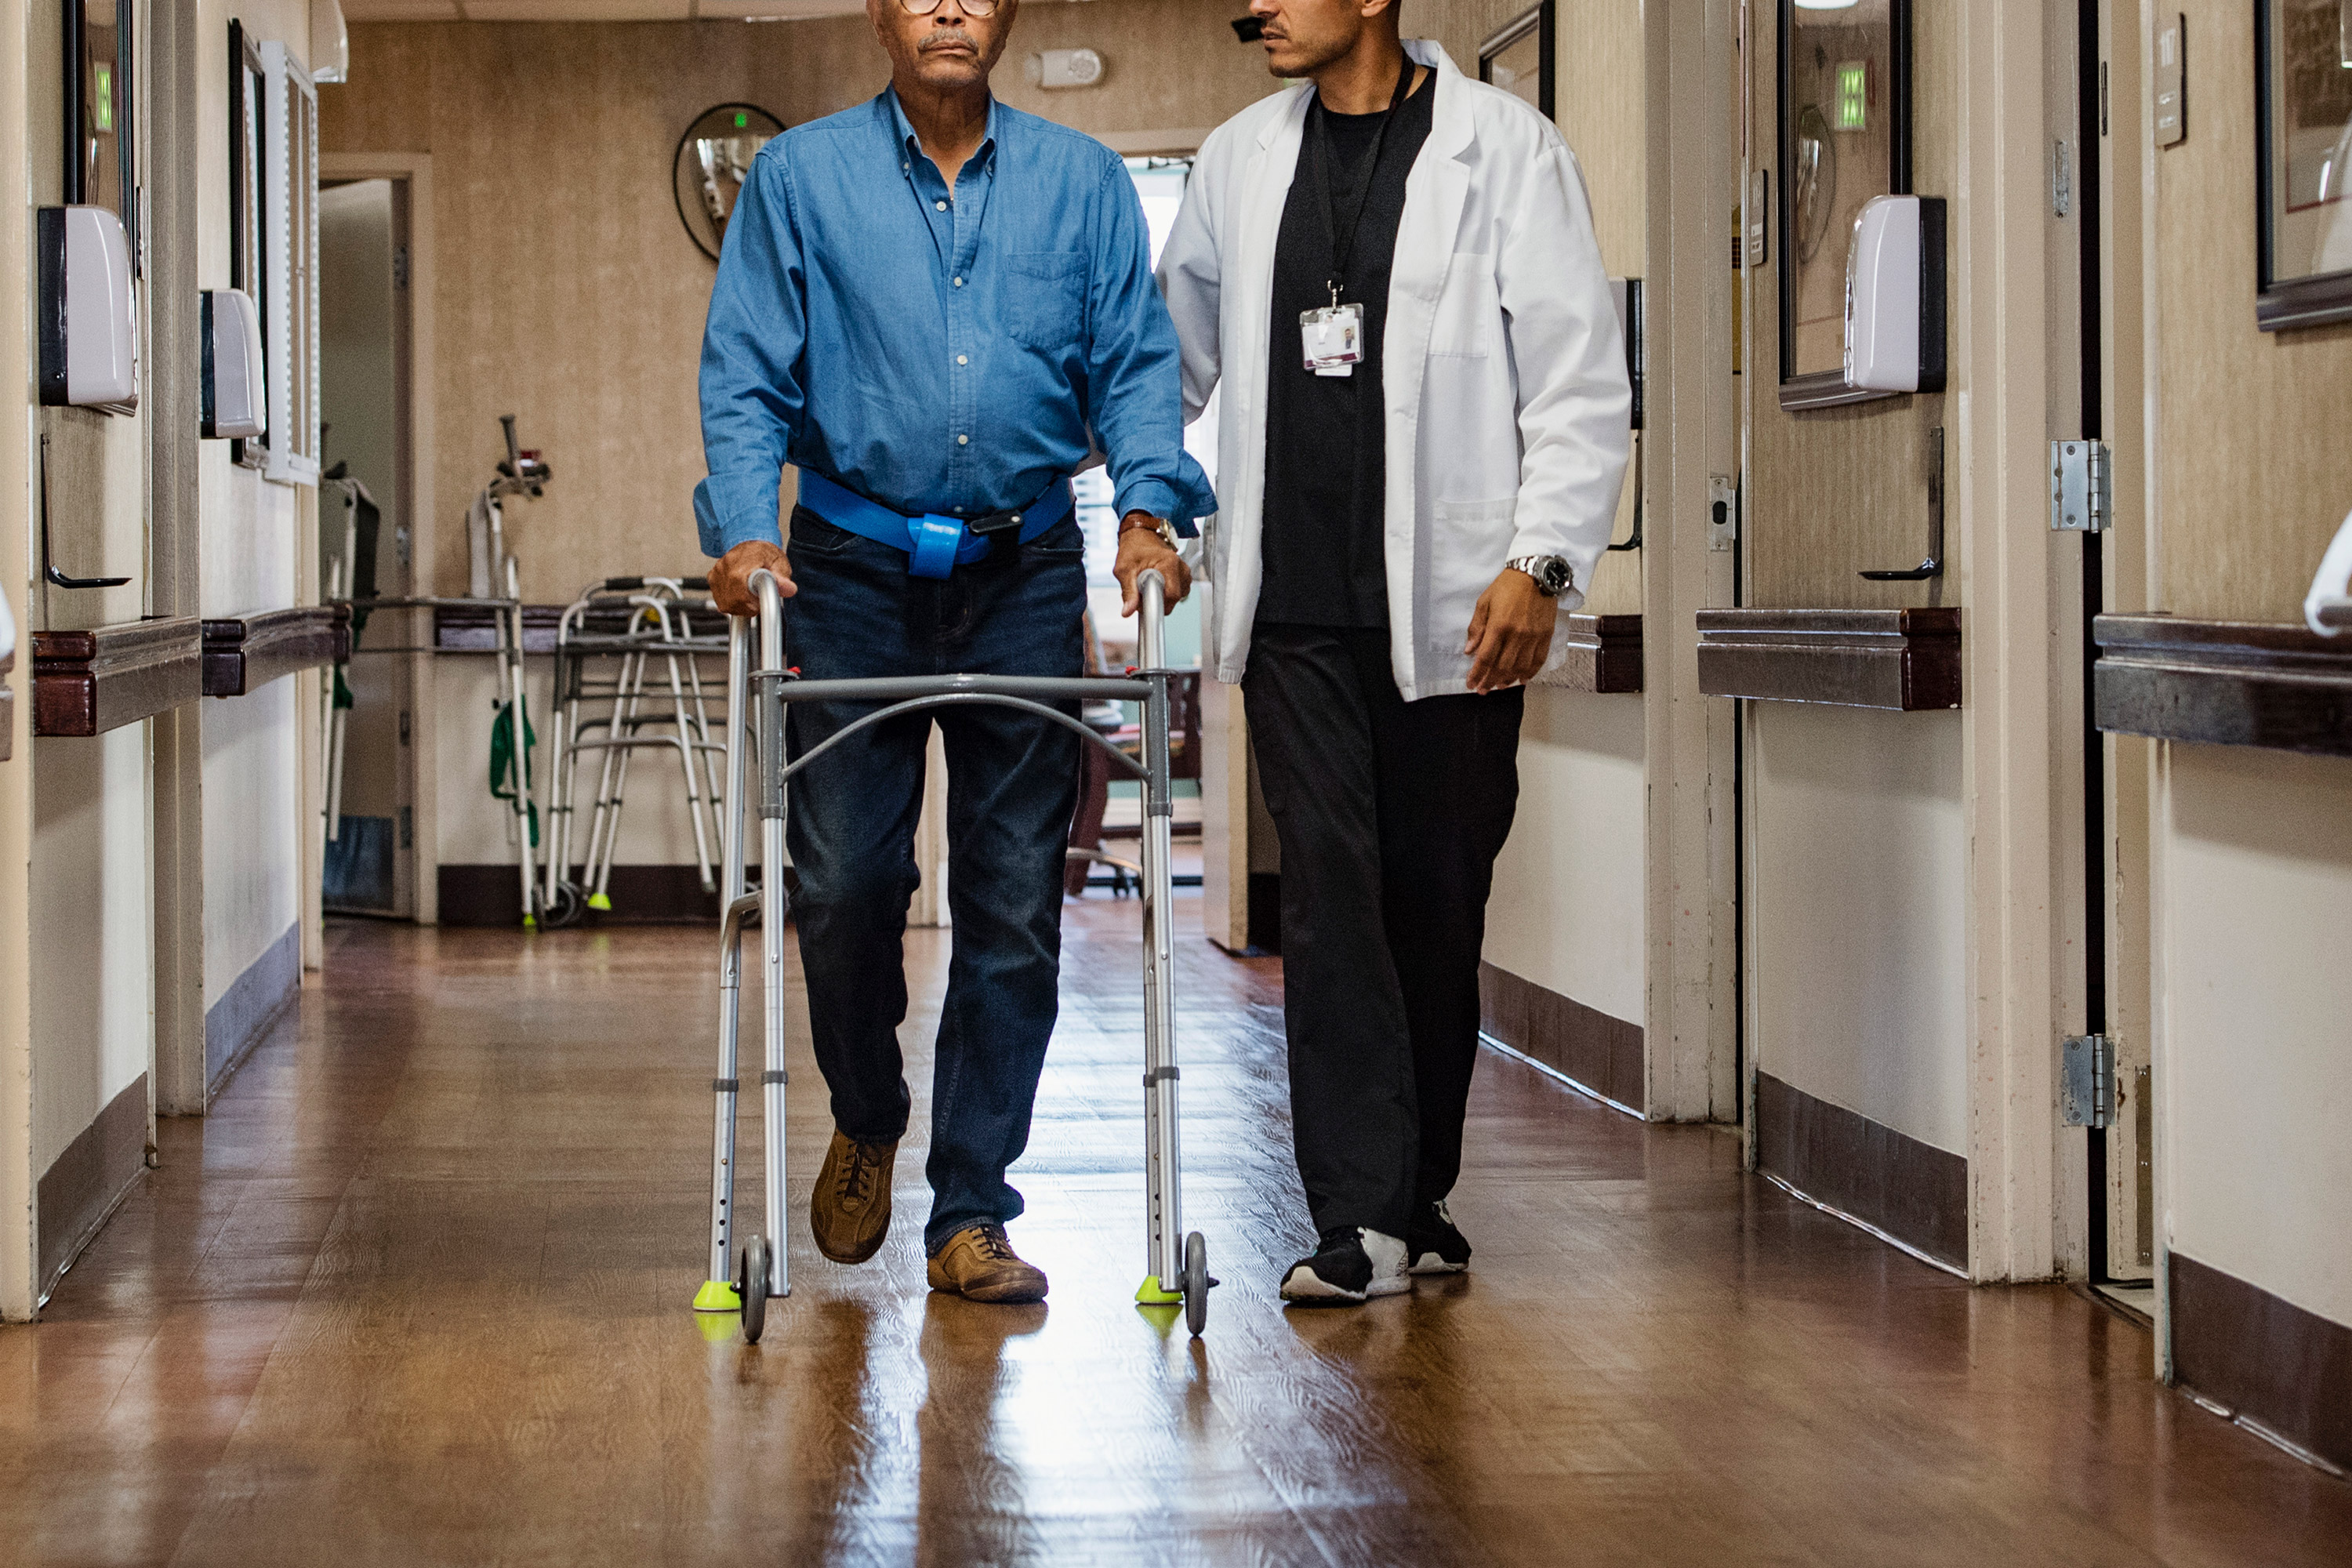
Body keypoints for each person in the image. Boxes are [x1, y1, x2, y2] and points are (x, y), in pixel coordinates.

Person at [696, 0, 1207, 1305]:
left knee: (1014, 900)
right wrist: (748, 533)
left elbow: (1137, 366)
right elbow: (746, 371)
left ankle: (971, 1208)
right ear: (877, 8)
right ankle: (868, 1111)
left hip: (1026, 569)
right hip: (850, 574)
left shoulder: (1084, 186)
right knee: (848, 879)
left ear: (1008, 10)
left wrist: (1148, 509)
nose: (946, 7)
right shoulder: (800, 180)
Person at [1156, 0, 1631, 1304]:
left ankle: (1416, 1194)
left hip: (1458, 612)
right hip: (1294, 606)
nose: (1253, 6)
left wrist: (1543, 565)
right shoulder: (1240, 160)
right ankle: (1355, 1211)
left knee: (1437, 894)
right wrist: (1139, 496)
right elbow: (1170, 360)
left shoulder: (1507, 150)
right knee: (1329, 892)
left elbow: (1582, 381)